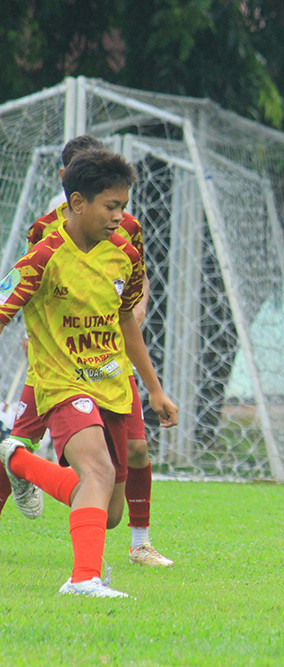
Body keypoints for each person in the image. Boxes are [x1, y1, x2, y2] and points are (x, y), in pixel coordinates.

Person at [0, 148, 178, 597]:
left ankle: (16, 460)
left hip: (112, 384)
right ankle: (83, 580)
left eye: (124, 206)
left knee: (109, 512)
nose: (120, 217)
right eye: (111, 206)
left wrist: (155, 390)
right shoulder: (43, 256)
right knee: (96, 471)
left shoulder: (125, 255)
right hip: (61, 382)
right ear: (78, 203)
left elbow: (126, 321)